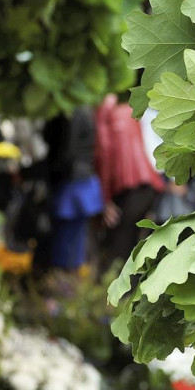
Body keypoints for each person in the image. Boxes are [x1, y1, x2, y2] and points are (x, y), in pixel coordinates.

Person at [95, 95, 164, 266]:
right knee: (132, 243)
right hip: (147, 183)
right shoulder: (129, 107)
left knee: (120, 245)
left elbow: (105, 154)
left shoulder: (105, 109)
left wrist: (105, 198)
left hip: (129, 185)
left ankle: (114, 281)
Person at [40, 105, 102, 273]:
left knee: (68, 245)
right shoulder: (83, 109)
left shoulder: (74, 111)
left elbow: (68, 152)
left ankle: (67, 281)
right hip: (79, 180)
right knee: (75, 241)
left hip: (72, 183)